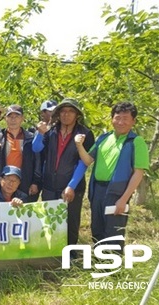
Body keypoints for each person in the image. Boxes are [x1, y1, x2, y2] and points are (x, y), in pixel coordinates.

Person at [64, 102, 149, 248]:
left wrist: (124, 199)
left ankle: (112, 267)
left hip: (117, 192)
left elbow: (138, 173)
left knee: (113, 233)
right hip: (97, 190)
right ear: (112, 119)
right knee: (97, 229)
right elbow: (88, 160)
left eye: (125, 118)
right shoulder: (103, 138)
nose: (121, 122)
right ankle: (99, 263)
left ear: (133, 121)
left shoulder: (136, 141)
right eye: (117, 118)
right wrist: (79, 145)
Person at [32, 98, 94, 246]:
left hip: (72, 187)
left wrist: (71, 185)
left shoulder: (85, 134)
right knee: (49, 221)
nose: (66, 115)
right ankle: (51, 254)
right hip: (49, 185)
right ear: (58, 114)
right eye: (63, 111)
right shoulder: (51, 131)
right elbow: (36, 148)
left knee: (71, 222)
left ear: (77, 115)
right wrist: (40, 134)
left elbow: (83, 162)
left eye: (71, 111)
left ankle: (70, 256)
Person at [0, 105, 41, 202]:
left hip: (25, 182)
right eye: (10, 117)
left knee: (24, 213)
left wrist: (35, 182)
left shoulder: (31, 138)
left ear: (22, 119)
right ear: (5, 119)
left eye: (16, 116)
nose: (13, 119)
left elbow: (37, 162)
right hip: (4, 183)